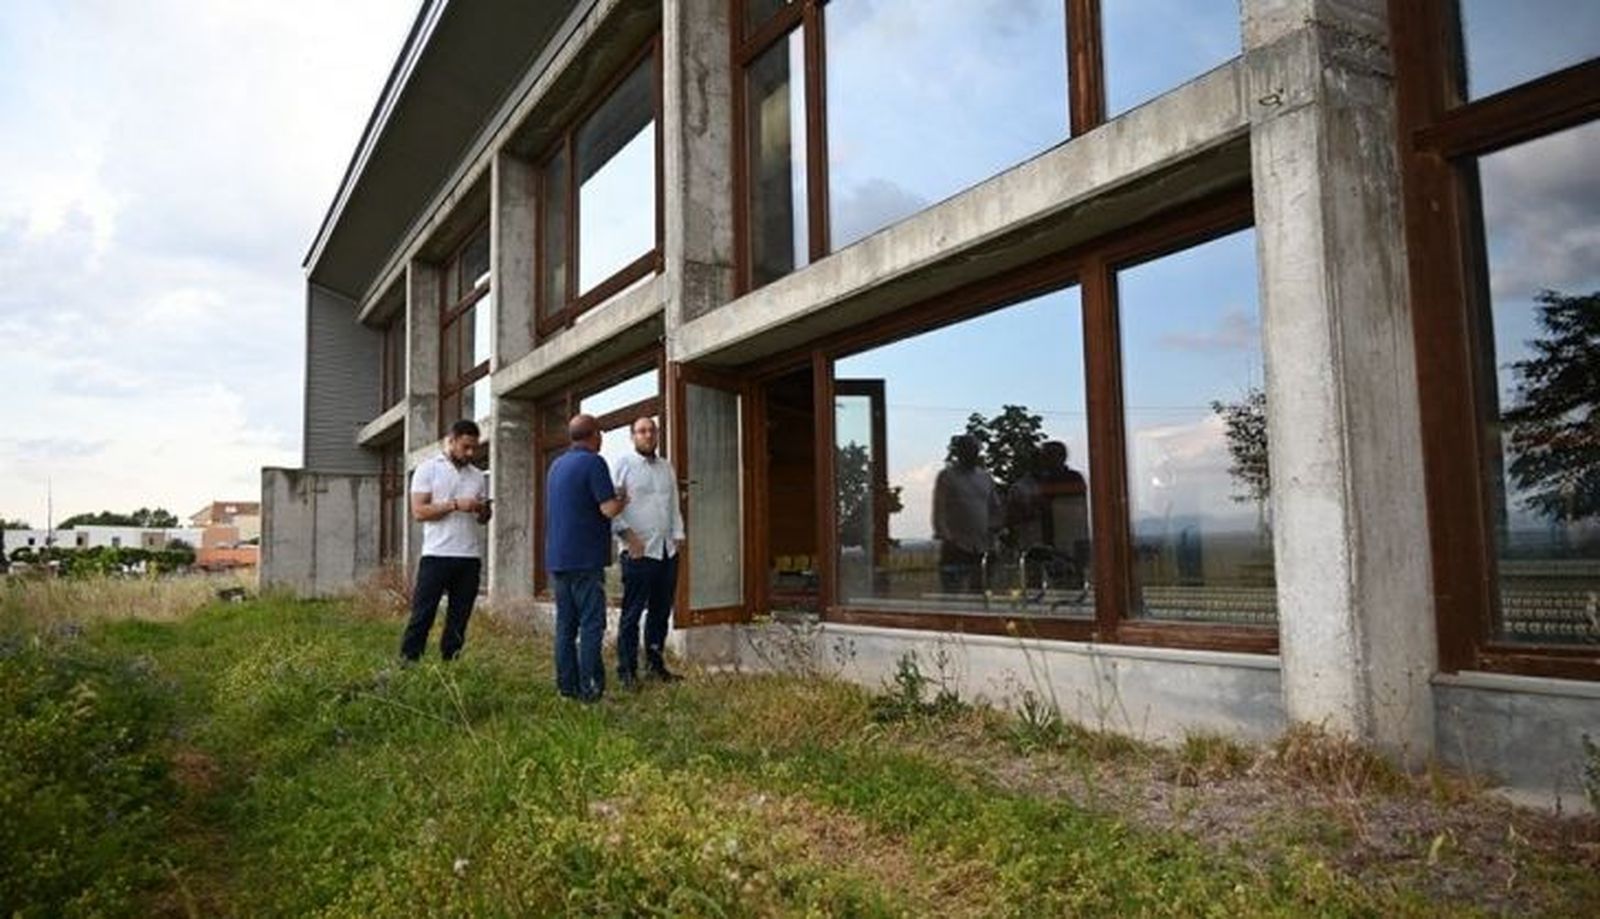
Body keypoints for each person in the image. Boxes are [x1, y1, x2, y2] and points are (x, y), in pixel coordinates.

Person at [545, 413, 627, 701]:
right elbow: (607, 509)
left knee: (565, 626)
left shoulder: (556, 465)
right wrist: (623, 500)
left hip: (559, 559)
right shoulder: (594, 462)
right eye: (600, 433)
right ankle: (590, 691)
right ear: (594, 435)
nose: (602, 438)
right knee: (592, 625)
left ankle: (566, 689)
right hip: (586, 560)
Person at [401, 419, 492, 662]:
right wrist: (454, 504)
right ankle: (408, 665)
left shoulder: (477, 475)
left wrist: (483, 511)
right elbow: (419, 512)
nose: (471, 453)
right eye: (466, 447)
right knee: (423, 615)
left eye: (474, 447)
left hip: (469, 557)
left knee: (459, 619)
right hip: (436, 555)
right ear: (451, 441)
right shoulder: (428, 468)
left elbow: (484, 520)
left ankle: (451, 666)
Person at [610, 416, 685, 688]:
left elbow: (673, 503)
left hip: (666, 551)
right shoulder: (624, 465)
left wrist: (678, 537)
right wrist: (628, 539)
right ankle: (627, 672)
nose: (648, 435)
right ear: (633, 436)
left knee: (660, 612)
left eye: (652, 431)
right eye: (642, 431)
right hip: (638, 553)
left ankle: (655, 665)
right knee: (631, 614)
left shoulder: (666, 467)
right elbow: (611, 508)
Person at [932, 433, 1001, 595]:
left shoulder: (985, 477)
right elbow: (939, 511)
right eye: (967, 449)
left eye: (974, 450)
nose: (971, 453)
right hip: (956, 547)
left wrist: (995, 533)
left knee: (980, 594)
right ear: (959, 452)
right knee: (953, 596)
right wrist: (948, 538)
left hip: (983, 546)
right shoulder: (947, 476)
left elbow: (995, 508)